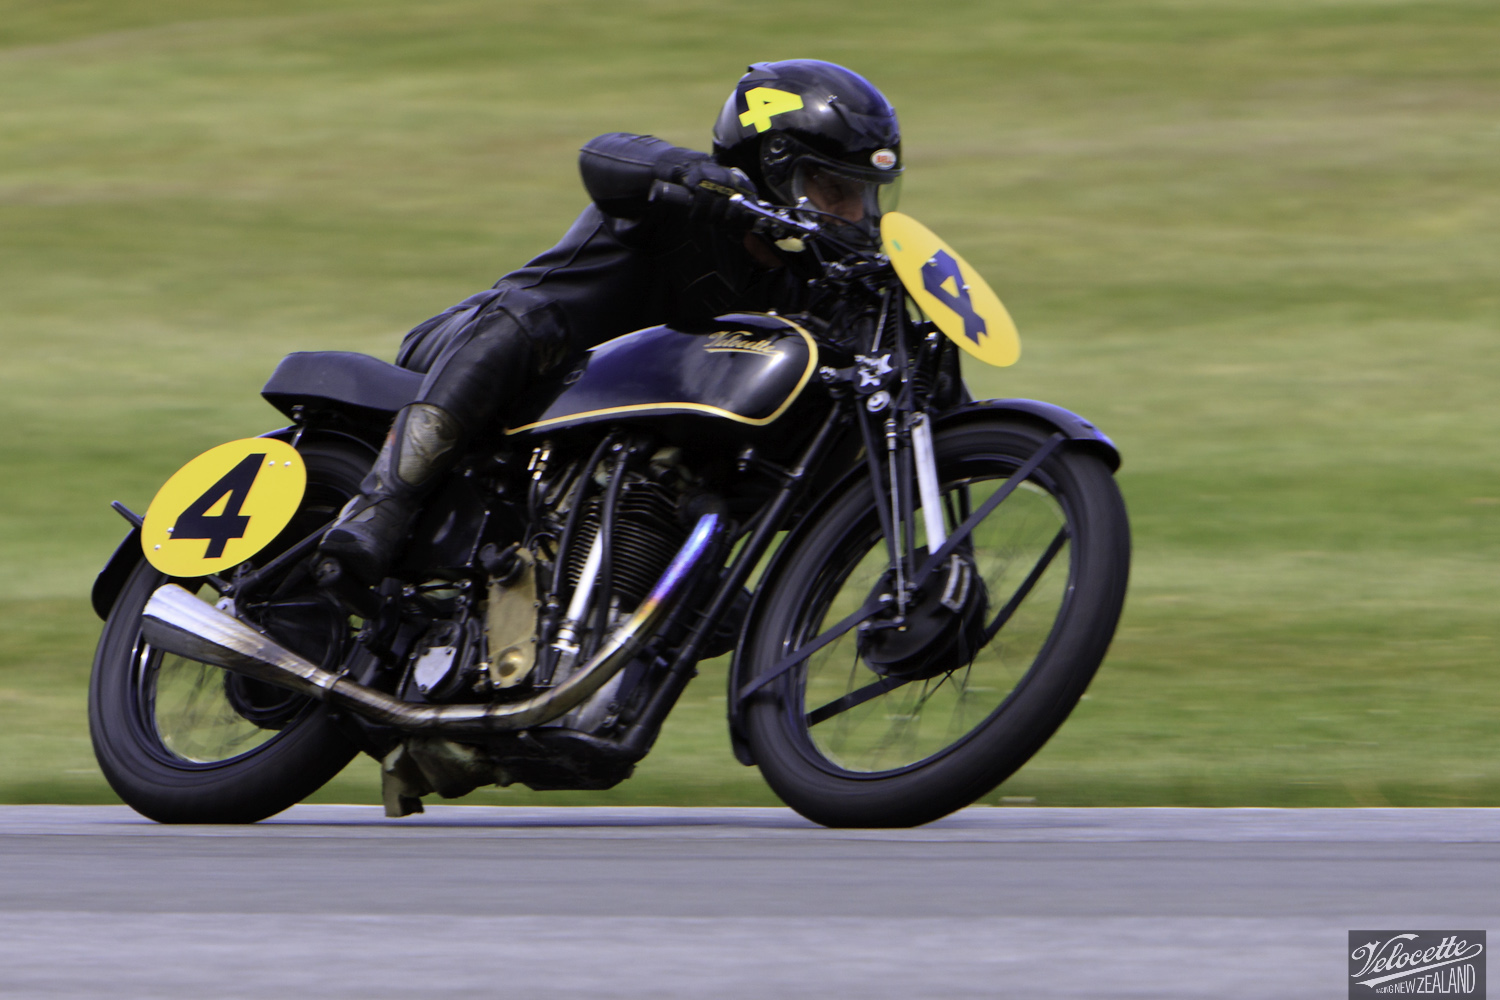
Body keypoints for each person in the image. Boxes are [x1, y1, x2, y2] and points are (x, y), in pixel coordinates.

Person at [318, 59, 905, 585]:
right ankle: (380, 506)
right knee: (529, 316)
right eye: (834, 189)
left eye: (866, 194)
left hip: (590, 434)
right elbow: (603, 153)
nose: (856, 214)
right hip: (477, 351)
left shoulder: (805, 290)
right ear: (770, 167)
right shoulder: (674, 204)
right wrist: (690, 175)